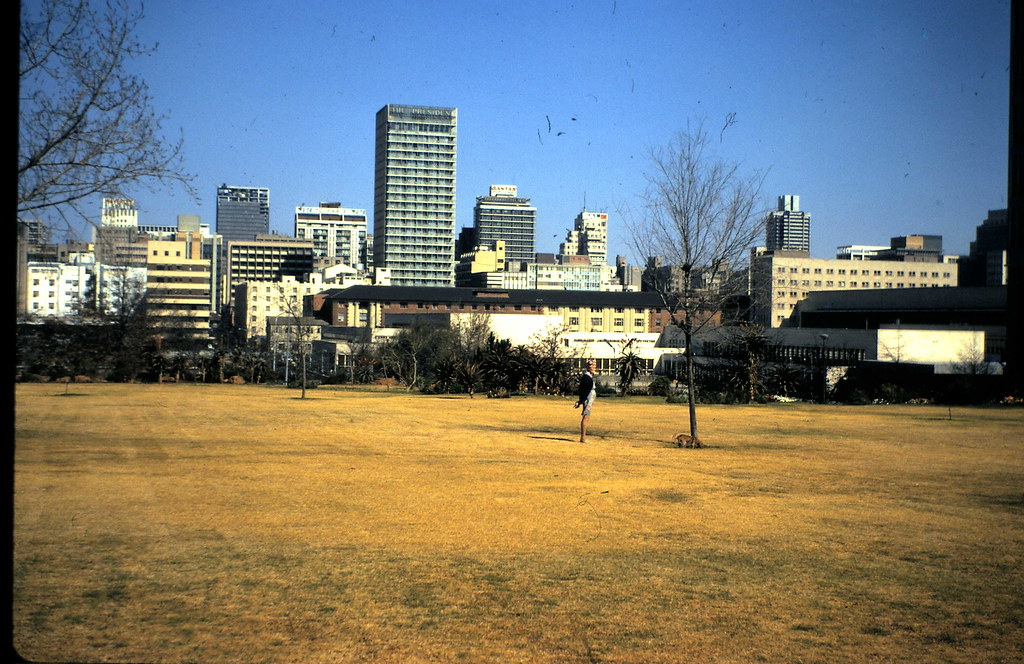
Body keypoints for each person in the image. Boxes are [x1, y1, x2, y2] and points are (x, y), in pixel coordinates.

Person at [574, 359, 597, 443]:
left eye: (594, 366)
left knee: (587, 416)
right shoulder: (586, 377)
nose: (594, 368)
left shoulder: (590, 376)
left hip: (589, 398)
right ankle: (583, 437)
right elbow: (583, 390)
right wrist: (581, 400)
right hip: (587, 399)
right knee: (586, 416)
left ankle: (583, 437)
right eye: (592, 366)